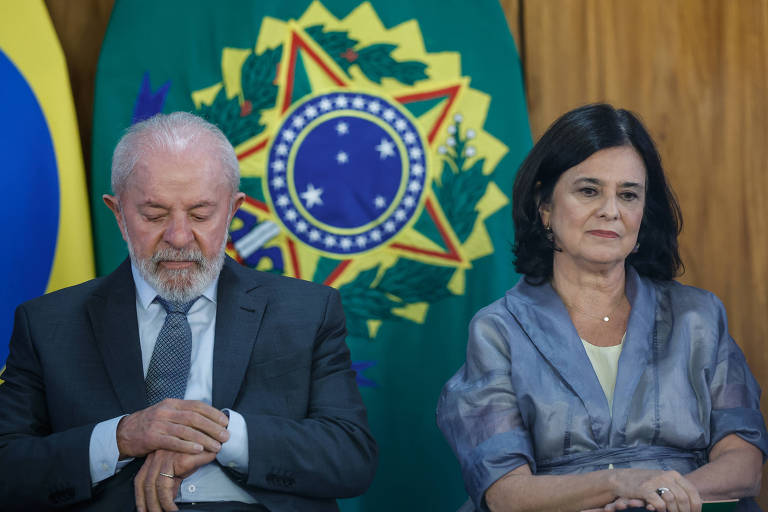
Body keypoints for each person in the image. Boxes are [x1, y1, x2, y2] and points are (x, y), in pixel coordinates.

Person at [0, 112, 377, 512]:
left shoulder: (309, 311)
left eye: (200, 215)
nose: (179, 238)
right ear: (118, 214)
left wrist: (222, 438)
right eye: (154, 215)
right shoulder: (47, 323)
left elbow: (352, 458)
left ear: (233, 211)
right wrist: (121, 438)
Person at [436, 104, 768, 512]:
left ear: (643, 215)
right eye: (589, 190)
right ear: (545, 208)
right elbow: (506, 493)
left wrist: (660, 498)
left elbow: (745, 463)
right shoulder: (497, 332)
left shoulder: (700, 317)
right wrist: (620, 483)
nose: (611, 210)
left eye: (628, 195)